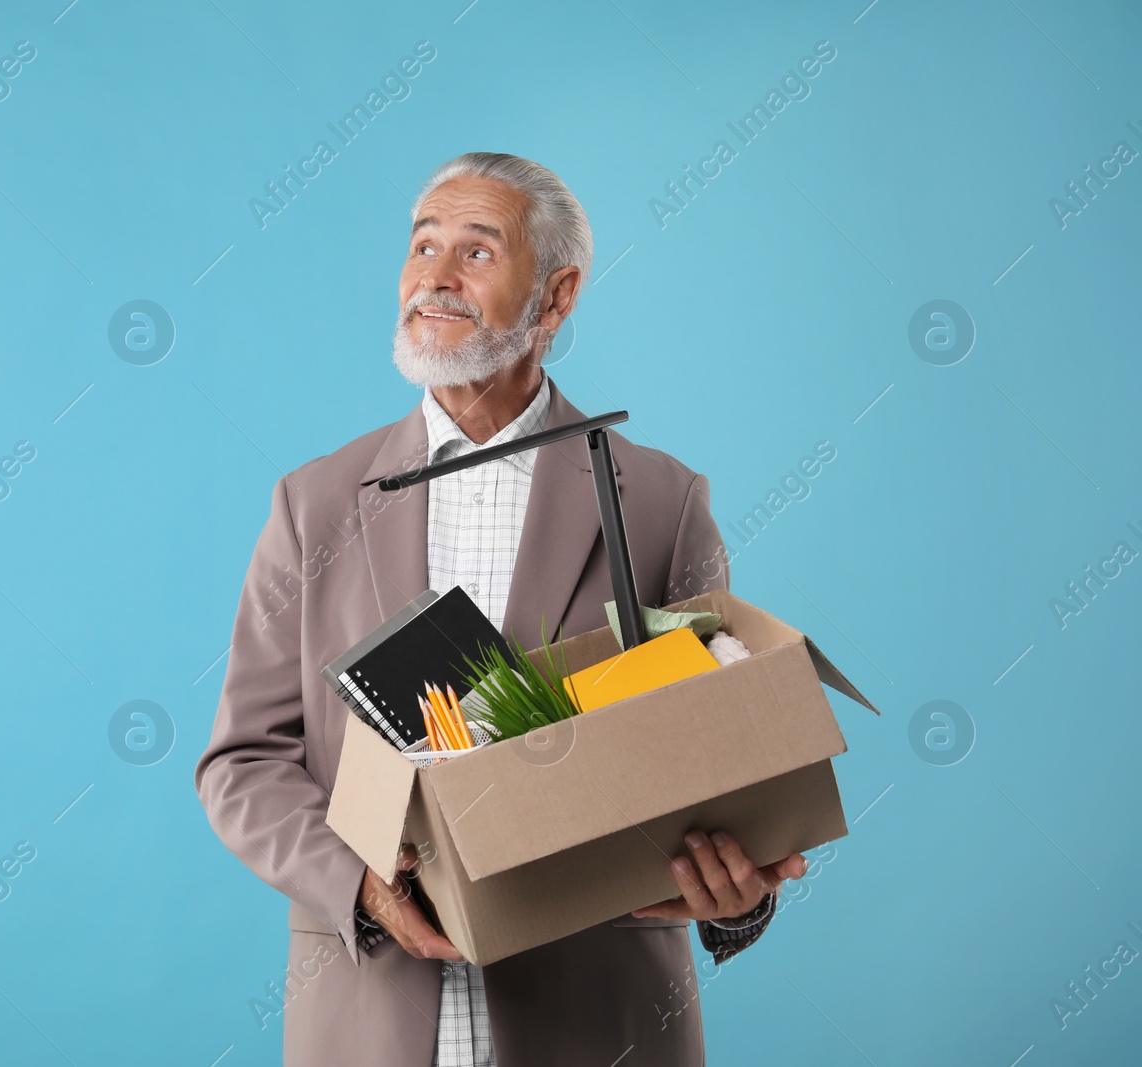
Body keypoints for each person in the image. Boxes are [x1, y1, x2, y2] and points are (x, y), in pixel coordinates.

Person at [195, 152, 809, 1066]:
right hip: (369, 1025)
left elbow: (723, 748)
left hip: (603, 1021)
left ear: (555, 299)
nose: (433, 277)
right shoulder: (312, 503)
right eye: (422, 246)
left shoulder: (660, 500)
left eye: (476, 252)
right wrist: (359, 883)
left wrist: (744, 895)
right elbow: (244, 759)